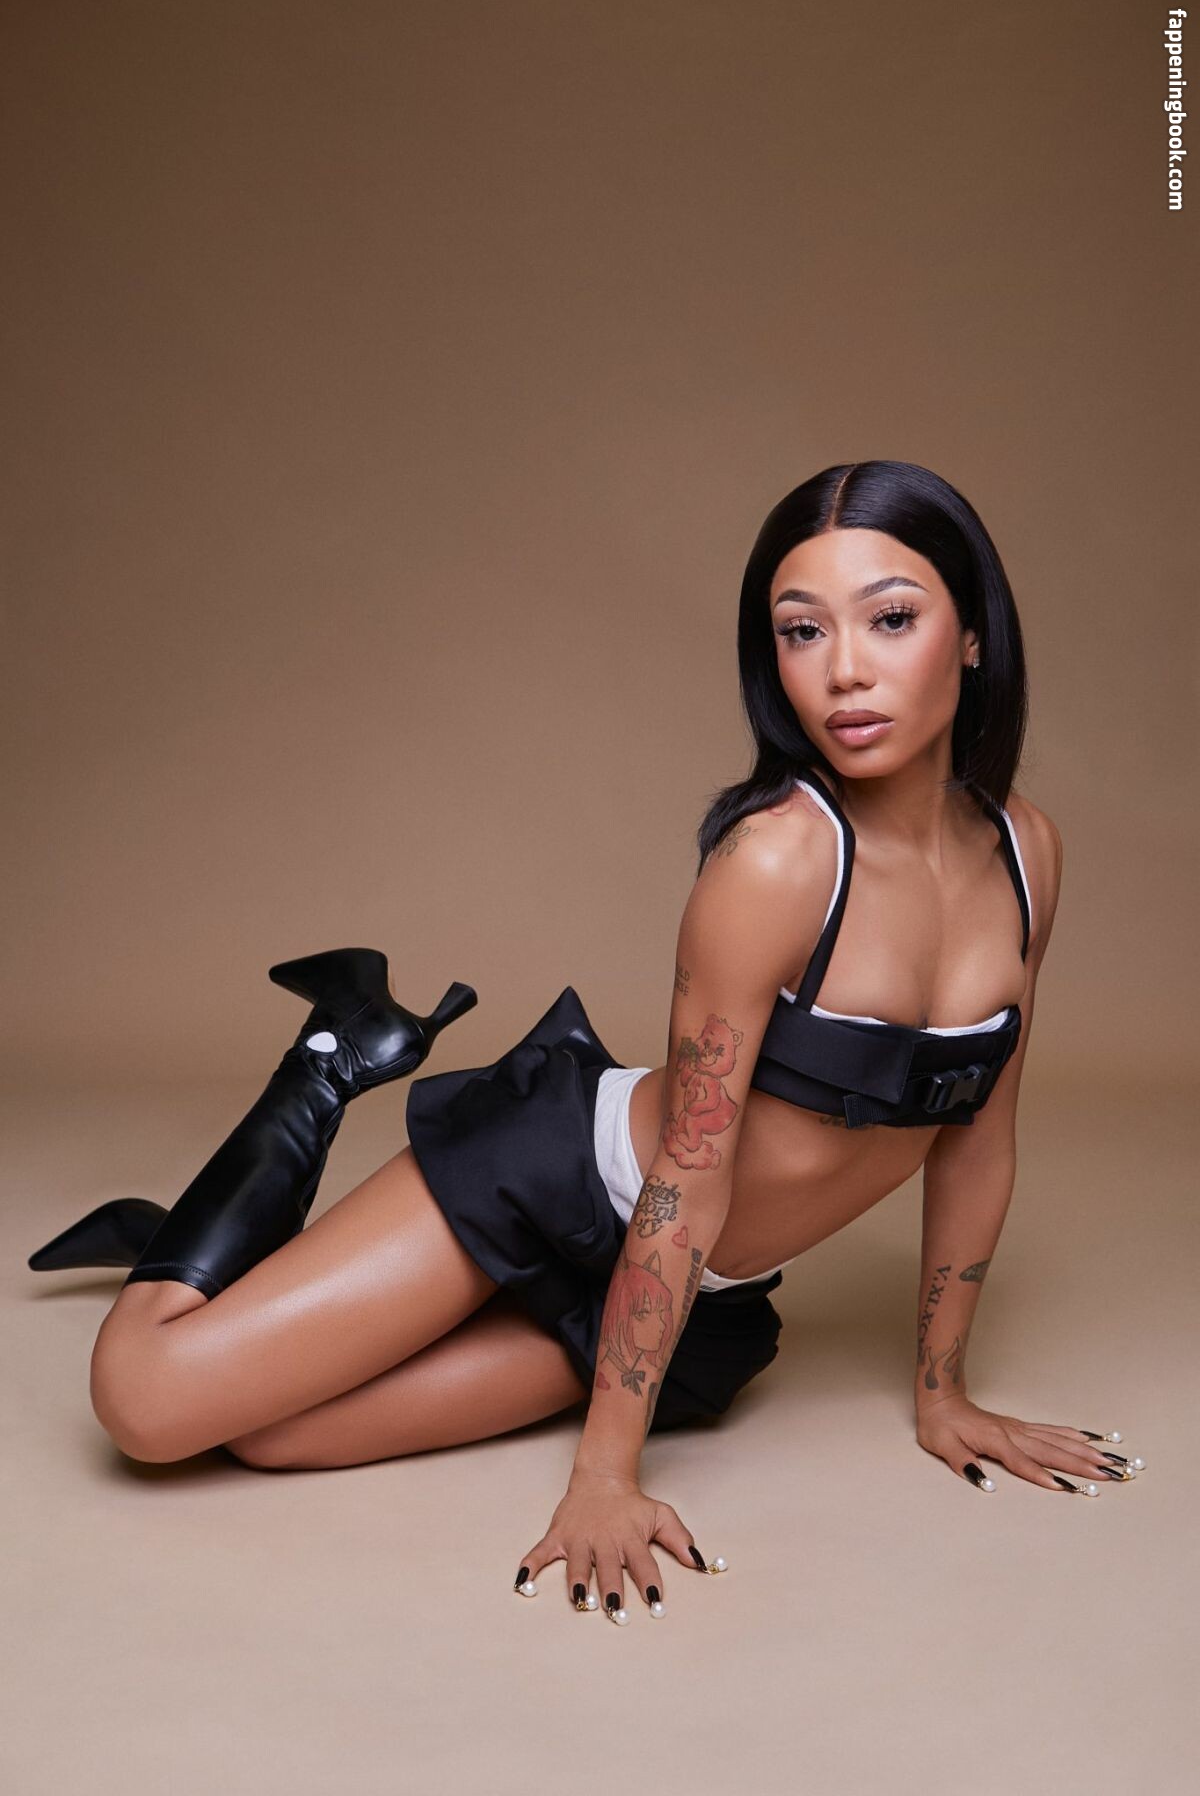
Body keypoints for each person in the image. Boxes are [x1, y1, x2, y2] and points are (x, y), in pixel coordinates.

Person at [28, 459, 1130, 1631]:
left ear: (973, 633)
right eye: (802, 631)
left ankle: (241, 1268)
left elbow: (978, 1141)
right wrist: (605, 1476)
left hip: (697, 1298)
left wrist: (943, 1395)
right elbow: (688, 1178)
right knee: (149, 1406)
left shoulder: (1028, 854)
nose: (845, 670)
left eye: (892, 618)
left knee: (270, 1437)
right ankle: (329, 1059)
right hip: (558, 1181)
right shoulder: (774, 863)